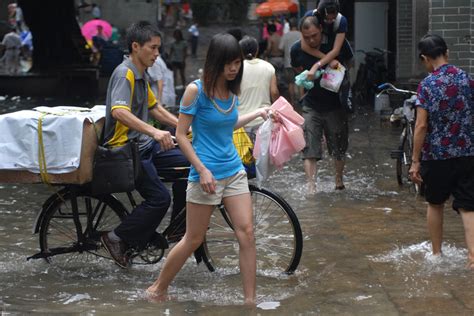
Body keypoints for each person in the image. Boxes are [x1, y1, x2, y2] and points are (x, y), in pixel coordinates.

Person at [146, 33, 271, 305]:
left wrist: (258, 113)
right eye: (228, 63)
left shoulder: (232, 89)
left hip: (233, 171)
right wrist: (201, 170)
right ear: (215, 61)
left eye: (237, 62)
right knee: (193, 239)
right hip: (206, 175)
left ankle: (250, 301)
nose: (234, 68)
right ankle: (157, 289)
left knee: (247, 233)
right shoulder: (196, 91)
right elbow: (180, 135)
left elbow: (229, 123)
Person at [100, 21, 189, 269]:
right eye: (153, 48)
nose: (157, 53)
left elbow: (154, 108)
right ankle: (115, 237)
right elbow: (119, 111)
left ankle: (177, 230)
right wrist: (154, 131)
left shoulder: (142, 74)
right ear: (136, 47)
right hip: (126, 150)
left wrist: (183, 129)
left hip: (144, 145)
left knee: (191, 165)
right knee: (160, 198)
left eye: (159, 48)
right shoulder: (125, 73)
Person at [409, 34, 474, 269]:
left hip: (437, 155)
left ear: (425, 58)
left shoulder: (427, 85)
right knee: (468, 206)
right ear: (447, 53)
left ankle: (437, 255)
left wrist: (415, 161)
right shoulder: (467, 79)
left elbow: (421, 126)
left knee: (435, 203)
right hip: (467, 152)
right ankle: (473, 258)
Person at [291, 15, 349, 194]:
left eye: (314, 35)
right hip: (311, 104)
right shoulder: (296, 49)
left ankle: (338, 179)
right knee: (309, 147)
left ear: (321, 30)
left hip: (335, 105)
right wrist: (299, 98)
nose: (311, 40)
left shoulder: (334, 46)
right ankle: (311, 186)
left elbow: (348, 66)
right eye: (306, 37)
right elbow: (296, 74)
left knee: (338, 145)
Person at [238, 36, 279, 138]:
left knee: (243, 153)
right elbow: (274, 92)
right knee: (262, 152)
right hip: (263, 120)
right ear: (257, 50)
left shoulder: (236, 69)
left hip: (241, 121)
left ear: (240, 51)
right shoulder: (268, 67)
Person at [303, 0, 353, 81]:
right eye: (326, 19)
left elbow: (336, 50)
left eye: (333, 18)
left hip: (337, 56)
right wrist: (327, 61)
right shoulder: (310, 17)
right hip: (317, 54)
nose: (330, 21)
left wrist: (319, 64)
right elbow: (305, 46)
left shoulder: (341, 21)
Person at [278, 17, 301, 106]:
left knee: (291, 83)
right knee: (301, 82)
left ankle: (292, 102)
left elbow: (280, 48)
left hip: (288, 63)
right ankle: (301, 100)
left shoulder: (286, 35)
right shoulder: (301, 34)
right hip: (300, 63)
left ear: (289, 26)